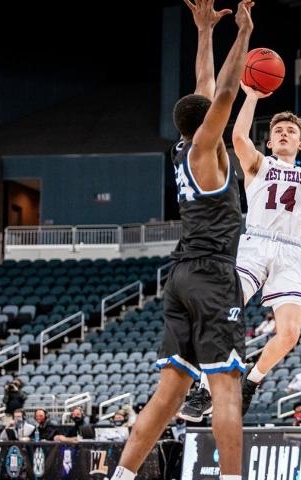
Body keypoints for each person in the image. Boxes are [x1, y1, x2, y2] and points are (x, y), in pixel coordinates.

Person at [114, 2, 254, 479]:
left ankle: (121, 476)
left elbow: (205, 88)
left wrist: (204, 33)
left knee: (168, 395)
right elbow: (225, 92)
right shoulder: (203, 151)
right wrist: (243, 33)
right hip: (212, 275)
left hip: (180, 276)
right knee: (226, 388)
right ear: (207, 123)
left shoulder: (182, 148)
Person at [178, 18, 301, 423]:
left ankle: (251, 381)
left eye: (291, 131)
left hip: (290, 252)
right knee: (224, 311)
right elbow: (237, 139)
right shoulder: (258, 164)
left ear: (299, 142)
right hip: (254, 242)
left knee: (289, 333)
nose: (284, 133)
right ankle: (203, 388)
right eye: (279, 130)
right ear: (269, 140)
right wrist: (250, 96)